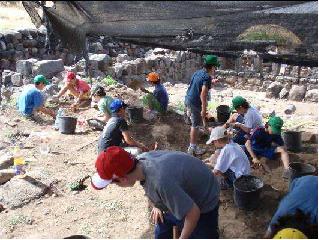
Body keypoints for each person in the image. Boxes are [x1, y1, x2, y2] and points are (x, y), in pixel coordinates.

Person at [91, 146, 220, 239]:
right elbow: (151, 186)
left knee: (202, 234)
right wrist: (157, 205)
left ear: (123, 178)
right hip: (179, 191)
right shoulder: (140, 162)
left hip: (204, 197)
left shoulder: (161, 182)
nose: (115, 186)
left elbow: (193, 213)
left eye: (113, 183)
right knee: (161, 229)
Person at [185, 55, 220, 156]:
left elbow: (196, 84)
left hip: (188, 99)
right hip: (194, 102)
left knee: (194, 122)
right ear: (212, 67)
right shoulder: (207, 77)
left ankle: (195, 138)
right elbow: (203, 94)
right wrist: (204, 109)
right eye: (215, 67)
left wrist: (211, 82)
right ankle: (192, 148)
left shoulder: (198, 72)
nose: (215, 69)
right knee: (195, 125)